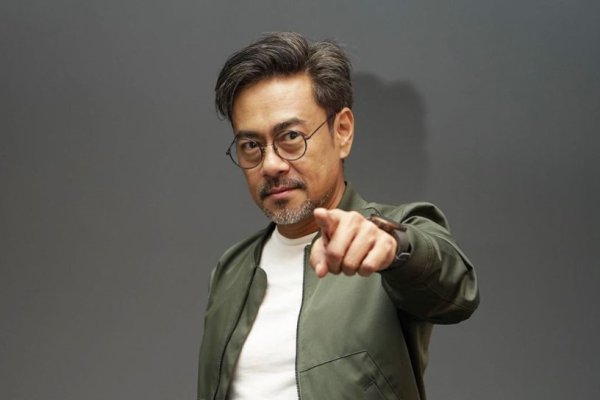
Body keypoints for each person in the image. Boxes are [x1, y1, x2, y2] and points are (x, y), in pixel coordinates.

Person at [197, 32, 479, 400]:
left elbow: (456, 287)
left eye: (291, 137)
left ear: (342, 131)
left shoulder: (387, 240)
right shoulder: (230, 269)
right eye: (251, 145)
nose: (271, 164)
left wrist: (394, 248)